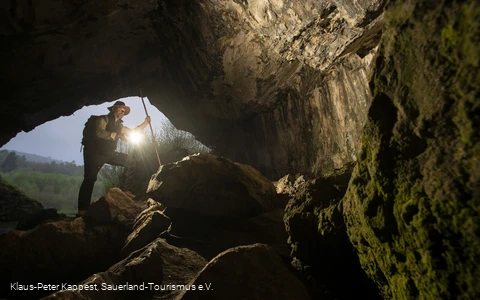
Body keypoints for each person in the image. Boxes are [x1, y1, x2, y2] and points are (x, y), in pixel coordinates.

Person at [77, 101, 151, 216]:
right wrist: (117, 135)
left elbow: (132, 131)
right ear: (113, 109)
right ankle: (82, 209)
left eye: (124, 110)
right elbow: (99, 133)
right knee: (90, 178)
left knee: (130, 161)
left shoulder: (119, 126)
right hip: (94, 153)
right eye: (121, 108)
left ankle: (125, 190)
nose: (123, 111)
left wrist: (145, 123)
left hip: (108, 153)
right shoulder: (103, 119)